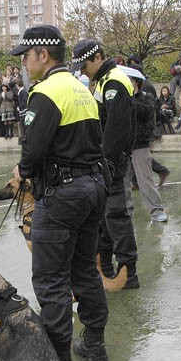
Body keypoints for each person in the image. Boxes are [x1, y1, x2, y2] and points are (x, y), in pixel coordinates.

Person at [10, 25, 109, 361]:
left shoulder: (46, 92)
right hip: (92, 187)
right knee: (84, 269)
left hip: (63, 195)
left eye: (26, 55)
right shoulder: (82, 88)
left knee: (51, 281)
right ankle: (95, 342)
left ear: (44, 55)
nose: (23, 61)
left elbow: (33, 152)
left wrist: (22, 171)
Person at [71, 38, 140, 290]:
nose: (82, 70)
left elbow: (115, 130)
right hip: (106, 161)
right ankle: (108, 267)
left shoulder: (114, 82)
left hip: (112, 162)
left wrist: (107, 163)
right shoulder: (104, 80)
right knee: (105, 217)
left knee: (115, 215)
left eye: (84, 65)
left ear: (97, 58)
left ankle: (127, 271)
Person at [125, 64, 168, 222]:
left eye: (128, 80)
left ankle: (156, 209)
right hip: (123, 145)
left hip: (140, 144)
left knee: (145, 180)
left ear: (136, 82)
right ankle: (126, 212)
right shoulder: (120, 98)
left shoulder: (146, 97)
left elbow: (146, 112)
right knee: (124, 183)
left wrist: (128, 102)